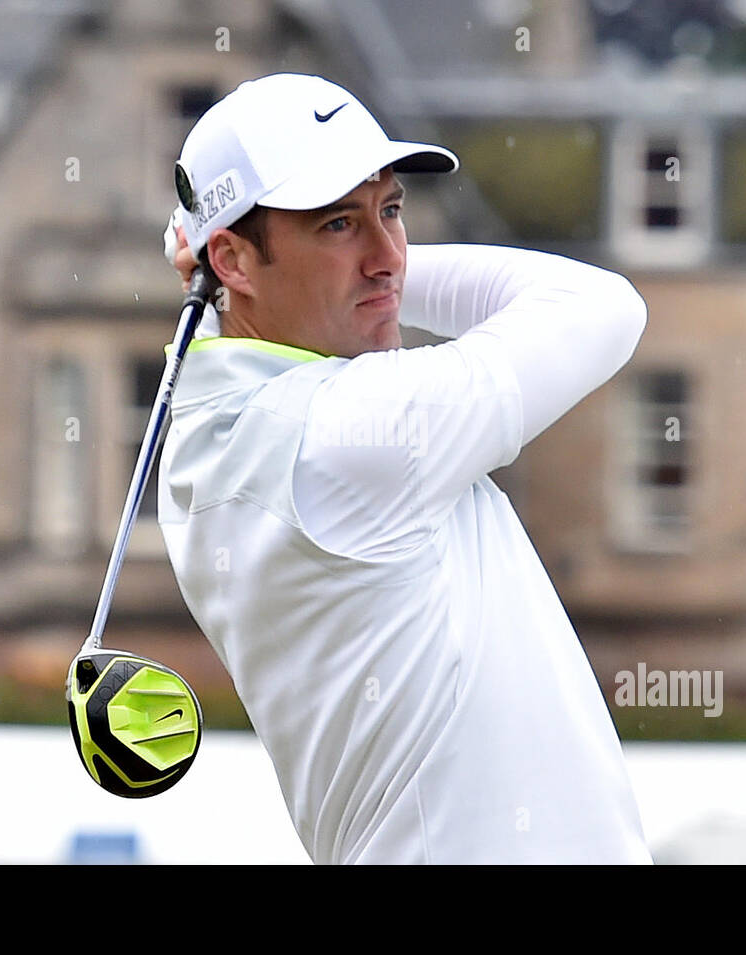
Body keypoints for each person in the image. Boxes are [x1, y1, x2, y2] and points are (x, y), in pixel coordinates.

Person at [158, 72, 652, 864]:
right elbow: (602, 306)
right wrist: (383, 282)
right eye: (338, 225)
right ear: (234, 261)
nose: (388, 255)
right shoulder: (348, 434)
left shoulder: (210, 428)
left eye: (390, 210)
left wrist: (279, 266)